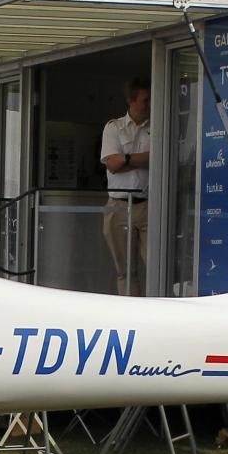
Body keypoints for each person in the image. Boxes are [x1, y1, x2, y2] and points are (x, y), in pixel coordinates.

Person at [100, 76, 151, 296]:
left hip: (149, 203)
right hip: (119, 206)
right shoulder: (114, 127)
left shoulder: (159, 126)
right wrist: (141, 159)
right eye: (145, 100)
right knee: (125, 270)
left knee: (156, 263)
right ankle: (131, 313)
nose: (149, 105)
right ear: (131, 101)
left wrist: (126, 159)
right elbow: (112, 164)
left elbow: (159, 159)